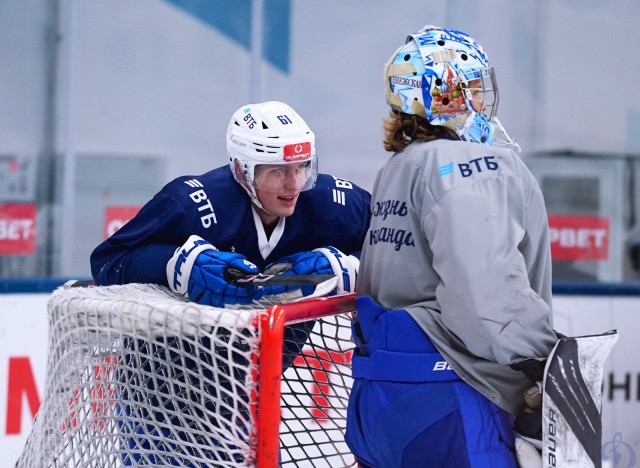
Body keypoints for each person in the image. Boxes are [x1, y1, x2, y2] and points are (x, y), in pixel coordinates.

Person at [90, 100, 371, 465]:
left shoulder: (335, 206)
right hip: (157, 391)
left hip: (244, 390)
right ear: (242, 170)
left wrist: (349, 268)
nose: (294, 185)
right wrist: (179, 265)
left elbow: (403, 251)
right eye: (278, 172)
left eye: (302, 167)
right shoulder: (191, 203)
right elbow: (109, 261)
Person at [345, 25, 559, 467]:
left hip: (379, 402)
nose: (483, 101)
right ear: (446, 95)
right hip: (454, 399)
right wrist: (543, 360)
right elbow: (485, 290)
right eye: (475, 88)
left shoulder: (398, 166)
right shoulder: (469, 164)